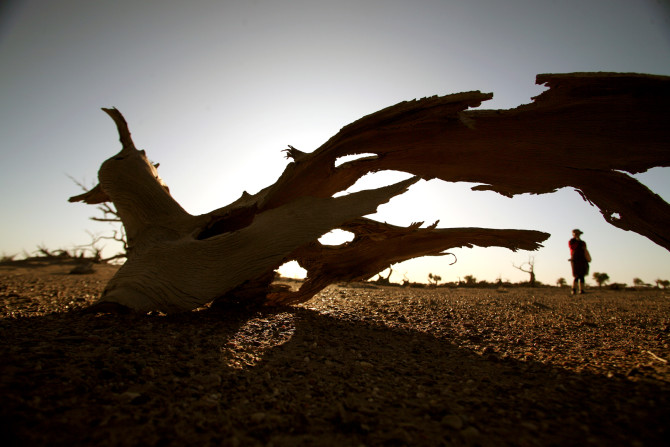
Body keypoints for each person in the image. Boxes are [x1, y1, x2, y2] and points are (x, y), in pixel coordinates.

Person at [569, 229, 591, 295]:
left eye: (578, 234)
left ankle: (582, 290)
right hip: (575, 260)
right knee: (576, 275)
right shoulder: (571, 241)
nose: (577, 235)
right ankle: (574, 289)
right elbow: (572, 248)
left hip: (583, 260)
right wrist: (577, 241)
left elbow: (585, 250)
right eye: (576, 234)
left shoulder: (583, 242)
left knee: (582, 275)